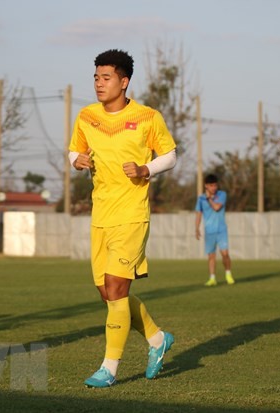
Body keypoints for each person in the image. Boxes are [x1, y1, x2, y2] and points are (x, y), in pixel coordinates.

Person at [68, 49, 177, 388]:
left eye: (106, 78)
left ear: (124, 81)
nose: (99, 84)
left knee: (116, 289)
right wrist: (77, 160)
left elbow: (170, 155)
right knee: (108, 293)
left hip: (131, 214)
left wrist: (146, 168)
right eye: (96, 78)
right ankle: (158, 339)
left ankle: (109, 368)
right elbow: (75, 149)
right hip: (100, 214)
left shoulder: (147, 117)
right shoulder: (87, 116)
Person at [195, 174, 234, 286]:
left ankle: (228, 274)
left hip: (221, 230)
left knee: (225, 253)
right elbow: (198, 213)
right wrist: (196, 228)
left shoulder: (222, 194)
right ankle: (212, 278)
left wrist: (209, 199)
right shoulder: (201, 198)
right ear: (206, 186)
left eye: (215, 185)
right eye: (211, 185)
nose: (214, 188)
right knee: (211, 256)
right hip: (209, 231)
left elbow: (217, 208)